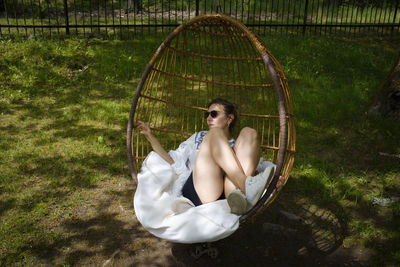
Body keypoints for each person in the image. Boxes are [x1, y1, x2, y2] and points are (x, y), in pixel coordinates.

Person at [136, 98, 283, 215]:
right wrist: (151, 138)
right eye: (207, 115)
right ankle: (247, 187)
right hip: (202, 190)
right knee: (215, 133)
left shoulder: (238, 144)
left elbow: (258, 165)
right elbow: (174, 160)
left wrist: (275, 177)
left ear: (229, 119)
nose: (208, 118)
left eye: (214, 114)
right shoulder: (200, 137)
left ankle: (240, 199)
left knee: (249, 132)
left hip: (230, 194)